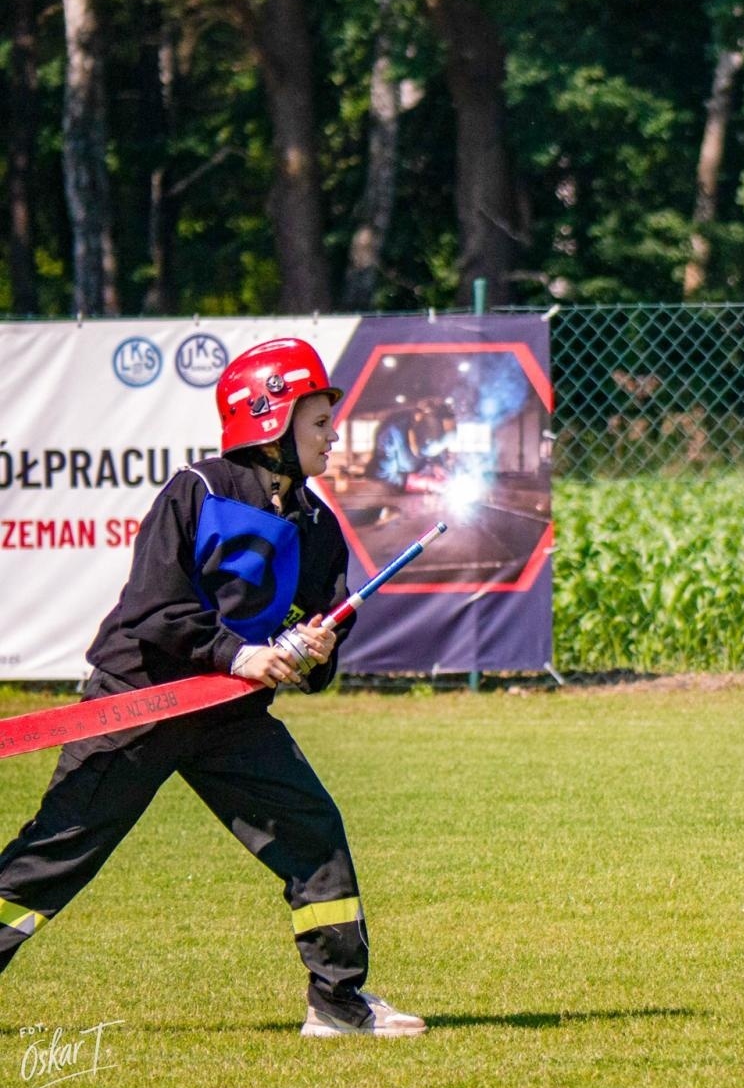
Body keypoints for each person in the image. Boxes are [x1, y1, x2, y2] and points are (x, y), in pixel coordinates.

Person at [0, 337, 426, 1037]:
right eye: (319, 421)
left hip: (229, 719)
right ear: (271, 421)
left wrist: (314, 651)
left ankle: (338, 1004)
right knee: (57, 854)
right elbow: (152, 609)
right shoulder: (197, 491)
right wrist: (236, 655)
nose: (334, 434)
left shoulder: (319, 527)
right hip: (141, 703)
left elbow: (322, 629)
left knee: (312, 832)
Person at [369, 398, 456, 494]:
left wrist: (437, 464)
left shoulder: (442, 429)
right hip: (396, 489)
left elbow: (437, 448)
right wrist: (425, 483)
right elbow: (384, 475)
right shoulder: (390, 432)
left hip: (421, 476)